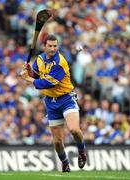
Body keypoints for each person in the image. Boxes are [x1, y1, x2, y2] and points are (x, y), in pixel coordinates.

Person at [20, 34, 87, 172]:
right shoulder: (39, 59)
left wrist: (27, 79)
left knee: (74, 129)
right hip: (50, 102)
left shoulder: (60, 62)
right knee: (57, 141)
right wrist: (30, 71)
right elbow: (37, 75)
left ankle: (82, 151)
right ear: (44, 46)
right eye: (50, 46)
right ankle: (65, 162)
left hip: (66, 98)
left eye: (55, 46)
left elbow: (46, 83)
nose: (52, 48)